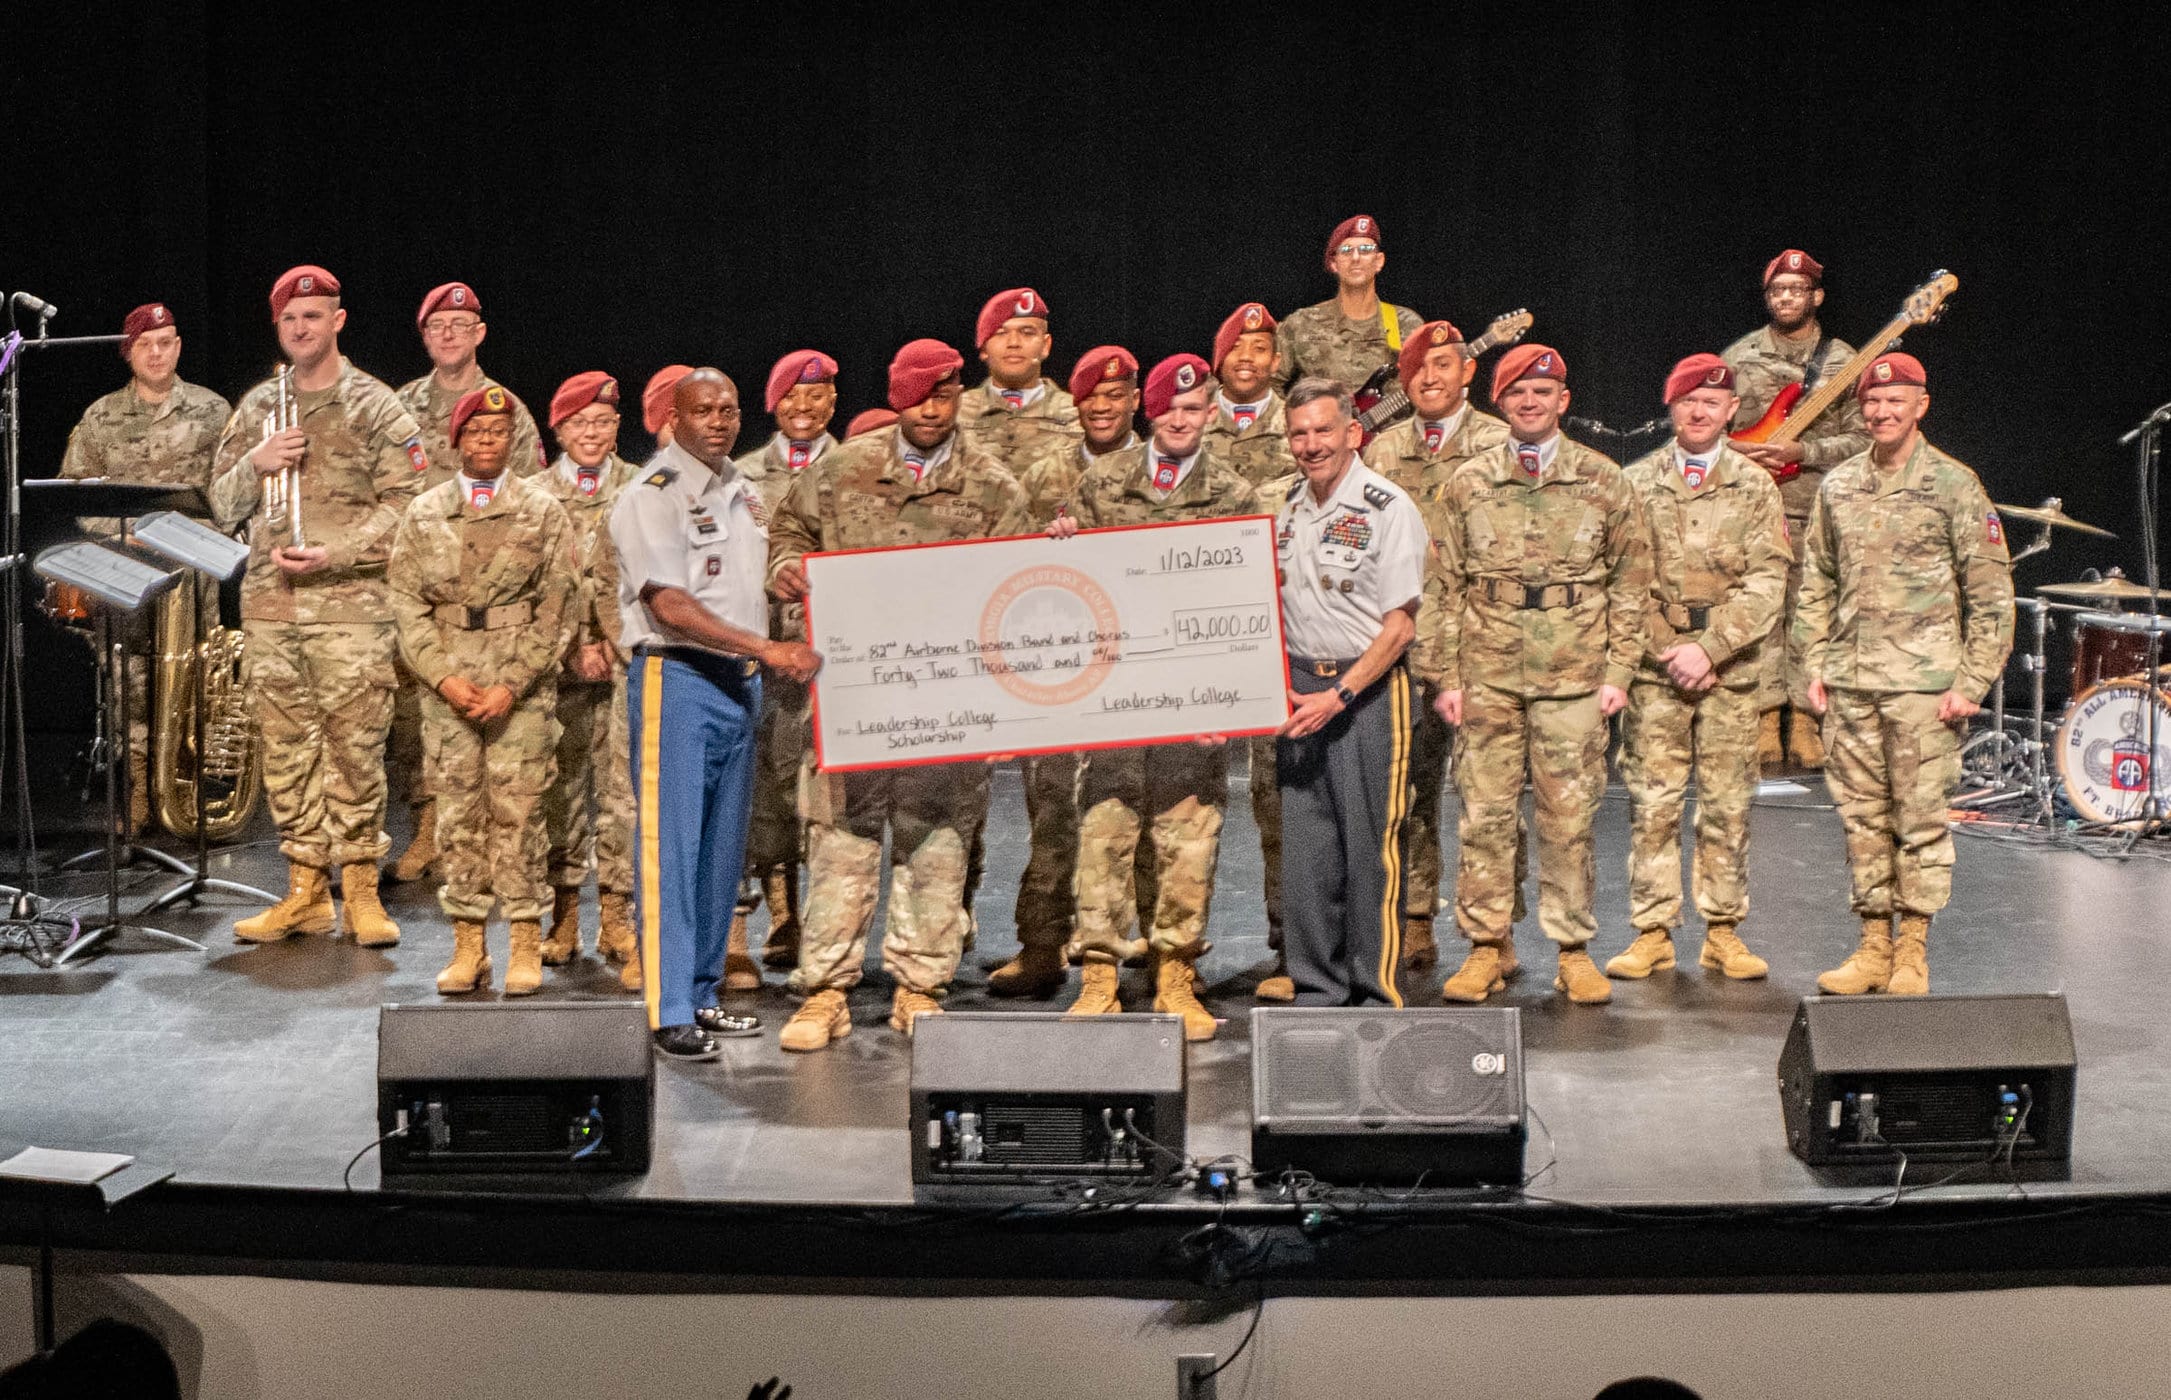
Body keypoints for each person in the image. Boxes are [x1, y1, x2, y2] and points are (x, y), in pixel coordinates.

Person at [767, 339, 1026, 1051]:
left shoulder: (993, 486)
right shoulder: (844, 469)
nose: (932, 410)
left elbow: (1018, 590)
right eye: (918, 396)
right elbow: (787, 529)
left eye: (944, 396)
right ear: (895, 396)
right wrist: (789, 572)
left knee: (937, 845)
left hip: (945, 705)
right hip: (852, 701)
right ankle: (825, 990)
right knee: (839, 847)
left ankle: (920, 986)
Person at [1423, 345, 1652, 1007]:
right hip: (1487, 673)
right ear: (1500, 402)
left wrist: (1618, 671)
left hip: (1573, 674)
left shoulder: (1604, 480)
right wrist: (1444, 677)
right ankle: (1484, 947)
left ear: (1563, 400)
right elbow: (1441, 587)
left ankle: (1572, 949)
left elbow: (1631, 584)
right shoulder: (1466, 483)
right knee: (1484, 818)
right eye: (1518, 391)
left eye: (1542, 391)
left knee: (1568, 819)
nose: (1530, 401)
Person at [1043, 353, 1261, 1040]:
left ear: (1209, 415)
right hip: (1116, 695)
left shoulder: (1233, 493)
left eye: (1193, 409)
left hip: (1192, 703)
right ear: (1150, 412)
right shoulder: (1102, 486)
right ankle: (1101, 973)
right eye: (1169, 407)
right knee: (1103, 833)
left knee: (1188, 841)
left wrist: (1227, 700)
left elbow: (1248, 600)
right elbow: (1064, 589)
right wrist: (1063, 544)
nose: (1179, 419)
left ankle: (1174, 972)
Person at [210, 266, 424, 947]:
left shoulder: (375, 406)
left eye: (313, 315)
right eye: (289, 320)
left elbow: (412, 507)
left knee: (355, 748)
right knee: (286, 749)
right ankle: (304, 890)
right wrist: (259, 462)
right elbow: (218, 502)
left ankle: (360, 884)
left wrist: (340, 552)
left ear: (338, 320)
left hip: (351, 608)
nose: (301, 328)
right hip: (272, 608)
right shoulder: (258, 409)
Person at [611, 368, 818, 1059]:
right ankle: (666, 1007)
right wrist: (766, 645)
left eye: (729, 409)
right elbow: (668, 604)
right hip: (678, 677)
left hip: (739, 683)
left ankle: (701, 992)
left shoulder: (745, 492)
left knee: (720, 856)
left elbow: (739, 583)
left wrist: (780, 582)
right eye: (704, 410)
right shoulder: (651, 497)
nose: (720, 420)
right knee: (671, 851)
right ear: (674, 417)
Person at [1796, 352, 2013, 996]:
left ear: (1921, 405)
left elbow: (1991, 593)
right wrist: (1815, 662)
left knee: (1918, 818)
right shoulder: (1838, 487)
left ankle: (1912, 948)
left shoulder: (1953, 485)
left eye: (1897, 401)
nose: (1882, 411)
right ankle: (1871, 945)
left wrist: (1971, 681)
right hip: (1852, 682)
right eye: (1872, 402)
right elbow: (1815, 581)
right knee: (1862, 817)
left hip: (1923, 686)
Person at [1606, 354, 1789, 983]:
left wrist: (1708, 650)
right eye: (1689, 400)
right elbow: (1622, 581)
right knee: (1652, 803)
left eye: (1713, 401)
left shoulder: (1755, 485)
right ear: (1671, 407)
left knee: (1726, 804)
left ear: (1732, 409)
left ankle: (1722, 932)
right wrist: (1670, 648)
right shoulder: (1634, 483)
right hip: (1657, 670)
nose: (1701, 410)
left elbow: (1770, 582)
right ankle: (1652, 931)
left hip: (1730, 670)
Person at [389, 386, 576, 995]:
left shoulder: (543, 511)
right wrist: (442, 676)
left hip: (517, 682)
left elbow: (557, 607)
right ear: (458, 440)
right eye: (476, 432)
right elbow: (407, 606)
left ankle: (524, 940)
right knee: (458, 818)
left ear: (514, 439)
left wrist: (513, 683)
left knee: (520, 813)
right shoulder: (424, 513)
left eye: (498, 432)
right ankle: (469, 945)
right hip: (448, 682)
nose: (488, 441)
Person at [985, 344, 1147, 999]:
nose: (1103, 407)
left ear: (1136, 399)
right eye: (1091, 397)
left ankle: (1128, 948)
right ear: (1075, 405)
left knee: (1125, 816)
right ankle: (1041, 947)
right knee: (1050, 813)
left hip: (1137, 672)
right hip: (1056, 670)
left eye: (1116, 395)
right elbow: (1006, 565)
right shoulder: (1042, 472)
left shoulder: (1156, 469)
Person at [1272, 377, 1429, 1006]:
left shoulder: (1388, 508)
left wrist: (1338, 696)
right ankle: (1317, 986)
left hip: (1364, 693)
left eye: (1323, 430)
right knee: (1307, 851)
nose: (1311, 444)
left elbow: (1401, 626)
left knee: (1369, 846)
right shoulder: (1287, 509)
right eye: (1299, 433)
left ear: (1352, 432)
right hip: (1297, 688)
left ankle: (1374, 986)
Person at [387, 282, 546, 885]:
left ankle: (502, 846)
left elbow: (530, 496)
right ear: (425, 336)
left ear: (480, 333)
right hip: (424, 585)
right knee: (416, 717)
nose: (448, 334)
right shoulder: (399, 407)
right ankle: (428, 827)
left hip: (497, 591)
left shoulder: (507, 409)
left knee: (505, 719)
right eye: (437, 326)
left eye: (461, 324)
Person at [1365, 319, 1511, 971]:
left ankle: (1493, 931)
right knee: (1409, 794)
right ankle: (1415, 917)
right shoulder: (1380, 451)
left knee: (1490, 794)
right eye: (1419, 367)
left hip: (1484, 646)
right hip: (1404, 648)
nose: (1430, 376)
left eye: (1444, 364)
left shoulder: (1501, 443)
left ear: (1467, 371)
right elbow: (1356, 539)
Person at [58, 302, 232, 832]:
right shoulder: (100, 416)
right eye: (145, 345)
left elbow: (232, 490)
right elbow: (77, 494)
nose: (157, 353)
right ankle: (138, 793)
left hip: (193, 576)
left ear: (178, 346)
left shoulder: (213, 410)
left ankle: (184, 795)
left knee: (195, 683)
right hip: (127, 575)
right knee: (129, 686)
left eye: (166, 342)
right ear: (128, 353)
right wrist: (123, 533)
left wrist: (209, 537)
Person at [954, 287, 1084, 979]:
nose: (1015, 342)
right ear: (982, 346)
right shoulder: (953, 413)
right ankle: (949, 925)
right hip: (970, 635)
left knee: (1055, 796)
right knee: (953, 793)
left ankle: (1044, 941)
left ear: (1046, 346)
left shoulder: (1080, 413)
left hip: (1052, 635)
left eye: (1029, 330)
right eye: (1003, 332)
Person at [1722, 249, 1870, 775]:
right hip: (1755, 509)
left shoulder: (1843, 361)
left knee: (1813, 614)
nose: (1785, 298)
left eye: (1796, 289)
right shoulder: (1740, 357)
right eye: (1777, 290)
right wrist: (1749, 453)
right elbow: (1709, 431)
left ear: (1816, 296)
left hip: (1819, 507)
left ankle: (1806, 719)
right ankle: (1763, 718)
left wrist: (1804, 453)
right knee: (1761, 613)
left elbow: (1865, 437)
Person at [727, 349, 842, 989]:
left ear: (833, 400)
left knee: (819, 803)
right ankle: (738, 933)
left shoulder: (857, 469)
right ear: (774, 405)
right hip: (758, 656)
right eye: (793, 397)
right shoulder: (738, 477)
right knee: (752, 798)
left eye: (818, 394)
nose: (805, 406)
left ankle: (805, 927)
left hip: (830, 664)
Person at [1202, 302, 1302, 1000]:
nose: (1247, 357)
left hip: (1278, 639)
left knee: (1281, 799)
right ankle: (1165, 951)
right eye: (1235, 346)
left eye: (1260, 346)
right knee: (1178, 800)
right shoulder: (1179, 419)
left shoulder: (1300, 426)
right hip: (1195, 644)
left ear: (1277, 360)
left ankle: (1294, 946)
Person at [535, 372, 642, 977]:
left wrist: (609, 640)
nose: (593, 434)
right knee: (562, 792)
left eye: (603, 423)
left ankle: (617, 912)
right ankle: (564, 909)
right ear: (560, 430)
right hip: (559, 668)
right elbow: (541, 587)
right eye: (580, 424)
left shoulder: (642, 486)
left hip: (627, 660)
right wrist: (576, 644)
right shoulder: (535, 494)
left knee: (623, 795)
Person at [1272, 215, 1423, 394]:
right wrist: (1296, 418)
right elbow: (1268, 385)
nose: (1356, 258)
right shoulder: (1301, 324)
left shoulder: (1406, 324)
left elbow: (1426, 385)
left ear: (1379, 261)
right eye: (1346, 250)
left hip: (1393, 423)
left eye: (1366, 249)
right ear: (1334, 263)